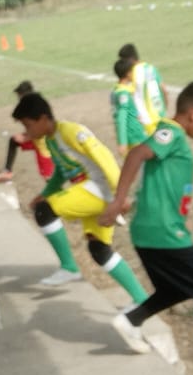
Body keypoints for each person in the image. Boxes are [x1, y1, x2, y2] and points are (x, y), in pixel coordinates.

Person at [101, 82, 193, 361]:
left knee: (175, 288)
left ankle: (131, 320)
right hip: (164, 232)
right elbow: (137, 154)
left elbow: (157, 179)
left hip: (150, 231)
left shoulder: (169, 135)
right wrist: (118, 200)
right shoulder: (172, 133)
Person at [12, 91, 147, 310]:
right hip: (91, 192)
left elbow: (105, 158)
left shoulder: (71, 131)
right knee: (98, 248)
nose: (27, 132)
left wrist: (119, 198)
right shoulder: (51, 140)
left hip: (101, 191)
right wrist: (45, 193)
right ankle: (141, 299)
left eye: (28, 125)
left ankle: (69, 267)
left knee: (45, 211)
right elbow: (61, 173)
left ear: (43, 118)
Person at [0, 81, 54, 185]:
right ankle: (7, 171)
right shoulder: (30, 104)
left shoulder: (37, 106)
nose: (18, 98)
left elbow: (43, 129)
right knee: (13, 140)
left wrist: (26, 137)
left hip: (43, 145)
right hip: (35, 139)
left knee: (49, 178)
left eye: (19, 95)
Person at [118, 42, 169, 129]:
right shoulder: (151, 68)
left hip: (145, 122)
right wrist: (164, 111)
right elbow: (164, 90)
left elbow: (128, 96)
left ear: (129, 59)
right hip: (161, 118)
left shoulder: (130, 74)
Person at [111, 55, 154, 153]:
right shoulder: (123, 94)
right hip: (135, 137)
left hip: (135, 135)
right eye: (133, 71)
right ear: (128, 74)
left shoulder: (118, 90)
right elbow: (121, 117)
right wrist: (122, 142)